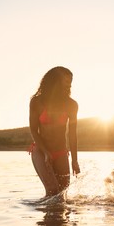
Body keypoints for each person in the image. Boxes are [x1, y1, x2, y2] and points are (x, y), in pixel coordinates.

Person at [29, 66, 80, 197]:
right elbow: (34, 130)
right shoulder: (37, 102)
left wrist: (74, 160)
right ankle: (48, 217)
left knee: (61, 195)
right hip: (40, 151)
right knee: (52, 190)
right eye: (66, 80)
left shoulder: (71, 104)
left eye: (70, 80)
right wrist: (45, 152)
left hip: (61, 152)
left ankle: (57, 217)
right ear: (54, 81)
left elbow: (72, 135)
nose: (69, 83)